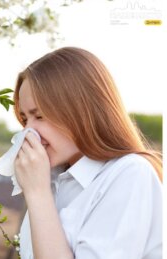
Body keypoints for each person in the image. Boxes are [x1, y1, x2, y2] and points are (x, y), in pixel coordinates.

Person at [13, 47, 162, 259]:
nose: (29, 132)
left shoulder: (129, 174)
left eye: (40, 116)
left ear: (81, 110)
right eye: (25, 118)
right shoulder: (53, 180)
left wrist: (37, 194)